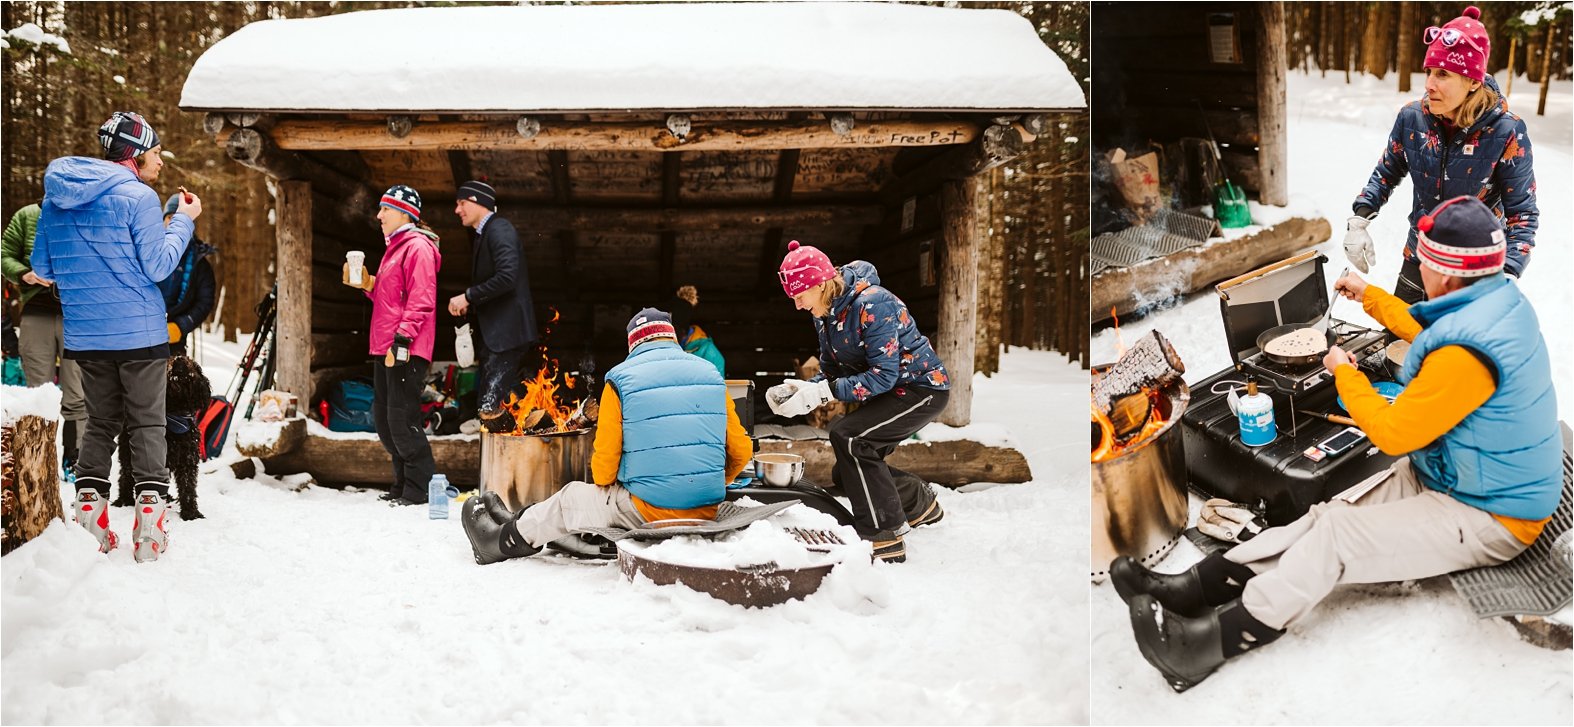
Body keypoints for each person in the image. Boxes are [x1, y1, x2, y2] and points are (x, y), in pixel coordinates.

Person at [1111, 196, 1561, 692]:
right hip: (1455, 472)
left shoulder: (1465, 353)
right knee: (1326, 516)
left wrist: (1347, 376)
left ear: (1447, 275)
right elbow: (1430, 326)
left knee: (1339, 537)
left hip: (1491, 513)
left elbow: (1393, 433)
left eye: (1424, 260)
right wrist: (1371, 297)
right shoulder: (1494, 300)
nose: (1419, 266)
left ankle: (1210, 642)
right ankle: (1198, 586)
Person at [29, 111, 202, 562]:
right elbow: (160, 266)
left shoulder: (56, 200)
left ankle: (90, 524)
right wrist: (183, 221)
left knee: (100, 423)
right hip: (140, 334)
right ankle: (149, 534)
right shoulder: (138, 197)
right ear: (136, 154)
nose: (161, 161)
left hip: (86, 336)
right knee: (148, 422)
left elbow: (44, 270)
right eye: (156, 153)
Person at [461, 308, 751, 565]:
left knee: (569, 499)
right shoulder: (710, 374)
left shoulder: (621, 379)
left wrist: (623, 484)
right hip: (706, 508)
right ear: (672, 339)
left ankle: (499, 543)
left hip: (650, 511)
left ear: (633, 343)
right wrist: (706, 481)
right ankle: (515, 521)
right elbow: (740, 449)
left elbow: (604, 468)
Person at [767, 241, 950, 563]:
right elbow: (832, 371)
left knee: (849, 436)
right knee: (847, 473)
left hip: (922, 389)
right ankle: (917, 501)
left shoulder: (873, 304)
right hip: (892, 391)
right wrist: (802, 391)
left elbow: (883, 376)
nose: (796, 306)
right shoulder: (825, 313)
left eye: (799, 297)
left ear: (820, 284)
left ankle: (884, 535)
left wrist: (822, 393)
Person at [1345, 5, 1537, 304]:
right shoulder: (1412, 118)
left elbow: (1522, 214)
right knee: (1400, 344)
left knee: (1455, 350)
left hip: (1474, 271)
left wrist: (1508, 272)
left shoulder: (1506, 132)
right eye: (1429, 72)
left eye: (1443, 74)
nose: (1429, 84)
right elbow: (1385, 173)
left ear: (1473, 81)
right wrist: (1358, 220)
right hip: (1419, 257)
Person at [343, 185, 442, 506]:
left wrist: (403, 340)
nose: (379, 215)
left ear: (404, 213)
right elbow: (391, 299)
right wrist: (368, 284)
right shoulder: (394, 249)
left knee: (402, 419)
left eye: (386, 209)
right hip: (384, 345)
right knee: (385, 420)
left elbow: (422, 299)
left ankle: (420, 487)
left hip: (405, 347)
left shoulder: (418, 248)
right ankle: (402, 484)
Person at [445, 180, 536, 432]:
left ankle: (499, 465)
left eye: (461, 203)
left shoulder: (499, 229)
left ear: (478, 202)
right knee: (504, 401)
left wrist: (469, 296)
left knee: (493, 406)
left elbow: (507, 277)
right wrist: (471, 304)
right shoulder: (486, 232)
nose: (457, 210)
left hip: (506, 334)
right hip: (501, 334)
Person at [2, 201, 87, 470]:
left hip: (77, 314)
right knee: (39, 392)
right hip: (36, 311)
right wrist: (24, 274)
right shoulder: (27, 215)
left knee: (78, 392)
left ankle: (74, 460)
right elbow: (5, 254)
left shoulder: (85, 215)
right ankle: (39, 462)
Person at [157, 194, 216, 357]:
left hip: (175, 340)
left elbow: (205, 301)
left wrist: (180, 326)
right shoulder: (149, 251)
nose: (174, 223)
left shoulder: (200, 263)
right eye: (170, 217)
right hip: (143, 335)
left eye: (180, 219)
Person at [667, 285, 724, 376]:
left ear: (683, 330)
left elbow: (719, 387)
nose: (669, 335)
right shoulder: (665, 347)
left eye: (673, 330)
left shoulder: (708, 352)